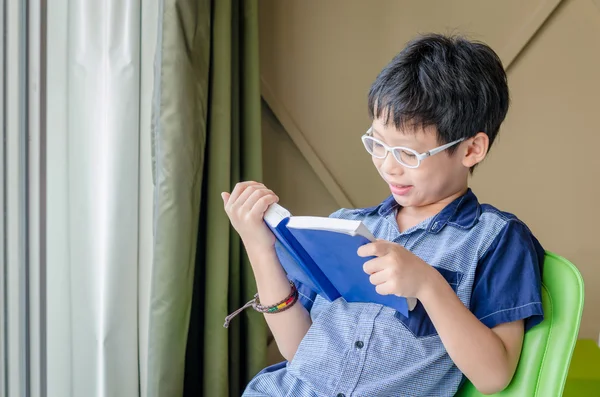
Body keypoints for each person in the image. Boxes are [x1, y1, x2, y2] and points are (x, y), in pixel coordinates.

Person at [222, 33, 544, 397]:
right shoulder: (345, 225)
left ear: (471, 149)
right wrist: (259, 246)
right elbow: (297, 349)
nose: (388, 167)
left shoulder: (496, 239)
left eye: (408, 154)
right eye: (377, 144)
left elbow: (494, 376)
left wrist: (428, 284)